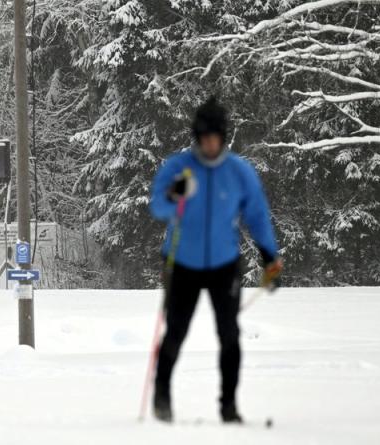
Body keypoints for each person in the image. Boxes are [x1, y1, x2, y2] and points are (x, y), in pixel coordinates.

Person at [148, 96, 283, 423]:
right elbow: (158, 207)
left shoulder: (239, 172)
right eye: (204, 137)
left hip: (224, 264)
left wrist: (270, 257)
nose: (209, 143)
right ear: (197, 137)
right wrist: (173, 195)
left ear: (223, 137)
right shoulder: (179, 167)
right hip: (182, 263)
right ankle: (162, 397)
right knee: (176, 331)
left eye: (215, 137)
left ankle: (228, 405)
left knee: (229, 333)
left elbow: (257, 216)